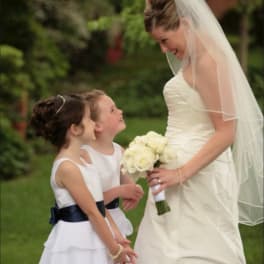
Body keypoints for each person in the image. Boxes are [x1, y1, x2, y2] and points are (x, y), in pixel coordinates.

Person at [134, 0, 264, 263]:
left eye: (165, 39)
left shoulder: (209, 62)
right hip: (175, 177)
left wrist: (181, 173)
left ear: (185, 23)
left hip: (196, 178)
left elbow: (227, 131)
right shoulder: (195, 59)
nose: (163, 49)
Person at [30, 94, 137, 264]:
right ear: (75, 129)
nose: (94, 124)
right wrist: (115, 251)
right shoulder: (67, 168)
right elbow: (92, 212)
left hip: (97, 233)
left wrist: (117, 236)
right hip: (79, 239)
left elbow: (100, 205)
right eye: (89, 120)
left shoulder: (84, 159)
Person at [80, 89, 144, 237]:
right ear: (97, 126)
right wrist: (120, 191)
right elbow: (87, 201)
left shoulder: (118, 151)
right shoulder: (85, 155)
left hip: (114, 219)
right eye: (112, 110)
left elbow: (128, 185)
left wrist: (134, 192)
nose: (120, 111)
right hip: (92, 222)